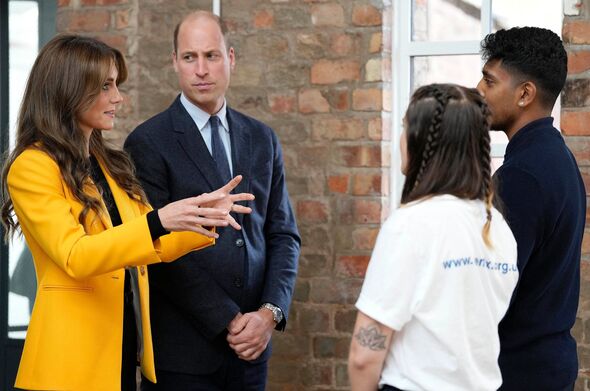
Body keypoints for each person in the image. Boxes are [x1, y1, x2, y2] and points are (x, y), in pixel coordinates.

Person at [0, 34, 254, 391]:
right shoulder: (32, 167)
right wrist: (159, 220)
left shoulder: (108, 163)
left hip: (122, 349)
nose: (117, 97)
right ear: (68, 90)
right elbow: (76, 255)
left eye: (116, 85)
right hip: (69, 364)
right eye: (105, 86)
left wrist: (202, 218)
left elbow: (153, 245)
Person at [124, 10, 301, 391]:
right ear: (174, 62)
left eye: (212, 55)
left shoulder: (261, 138)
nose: (201, 69)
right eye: (190, 57)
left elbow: (282, 235)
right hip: (184, 356)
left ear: (231, 58)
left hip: (252, 351)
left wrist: (268, 315)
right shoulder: (147, 142)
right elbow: (154, 247)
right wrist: (229, 320)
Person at [348, 83, 518, 391]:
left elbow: (364, 355)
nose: (400, 140)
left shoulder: (411, 224)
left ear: (421, 141)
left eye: (405, 129)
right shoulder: (499, 229)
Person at [477, 27, 586, 390]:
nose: (479, 90)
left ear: (525, 93)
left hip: (519, 373)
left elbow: (491, 289)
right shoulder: (557, 157)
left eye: (489, 81)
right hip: (545, 366)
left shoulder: (522, 175)